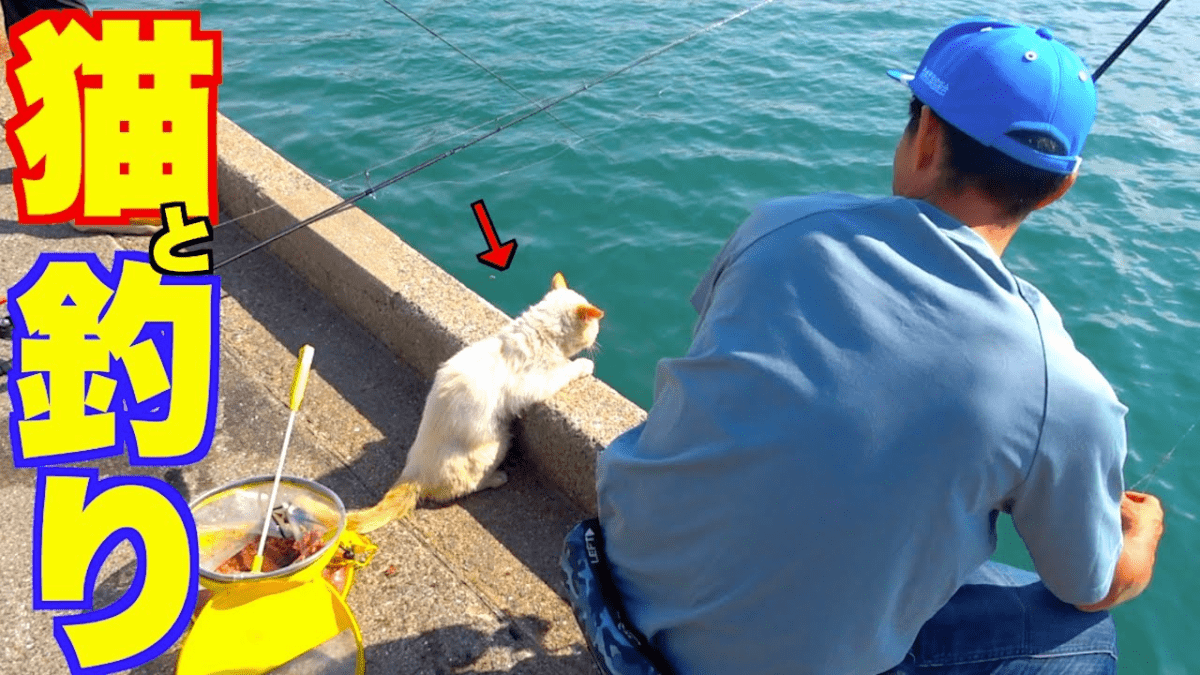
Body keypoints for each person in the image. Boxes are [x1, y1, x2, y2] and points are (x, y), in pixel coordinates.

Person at [595, 17, 1165, 675]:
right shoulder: (1063, 388)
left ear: (925, 136)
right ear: (1061, 186)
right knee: (1085, 639)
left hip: (613, 584)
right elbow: (1089, 584)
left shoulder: (776, 226)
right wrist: (1141, 536)